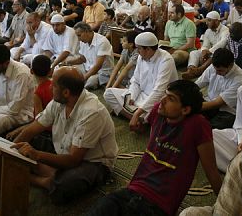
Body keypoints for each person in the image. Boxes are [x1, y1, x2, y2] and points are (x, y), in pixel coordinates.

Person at [85, 80, 223, 216]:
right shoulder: (158, 111)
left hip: (159, 204)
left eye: (171, 99)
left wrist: (226, 205)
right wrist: (140, 126)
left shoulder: (197, 125)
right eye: (165, 94)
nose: (163, 100)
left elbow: (211, 171)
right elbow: (150, 131)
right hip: (133, 190)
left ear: (185, 109)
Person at [11, 67, 118, 204]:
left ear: (66, 92)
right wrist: (10, 151)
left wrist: (37, 155)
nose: (49, 87)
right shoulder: (58, 101)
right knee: (29, 138)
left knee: (62, 186)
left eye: (53, 85)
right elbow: (32, 129)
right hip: (64, 150)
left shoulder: (92, 112)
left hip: (92, 162)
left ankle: (40, 178)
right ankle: (49, 171)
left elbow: (74, 160)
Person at [103, 32, 179, 131]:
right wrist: (132, 97)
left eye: (139, 48)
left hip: (159, 99)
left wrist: (138, 111)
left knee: (160, 111)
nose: (137, 51)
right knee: (108, 93)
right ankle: (136, 119)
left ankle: (138, 116)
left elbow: (159, 91)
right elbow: (135, 81)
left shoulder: (166, 60)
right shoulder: (141, 57)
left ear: (148, 49)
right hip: (140, 95)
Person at [194, 48, 242, 130]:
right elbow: (197, 85)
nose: (217, 73)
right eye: (215, 69)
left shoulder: (240, 79)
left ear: (231, 65)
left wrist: (192, 107)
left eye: (220, 70)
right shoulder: (213, 67)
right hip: (209, 103)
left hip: (228, 112)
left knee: (209, 130)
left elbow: (218, 103)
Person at [67, 22, 114, 89]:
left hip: (101, 73)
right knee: (71, 70)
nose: (78, 39)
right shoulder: (83, 41)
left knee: (90, 81)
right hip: (88, 68)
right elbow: (82, 59)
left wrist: (84, 78)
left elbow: (97, 66)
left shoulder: (102, 41)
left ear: (86, 31)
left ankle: (81, 85)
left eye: (79, 35)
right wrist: (67, 63)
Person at [184, 11, 229, 79]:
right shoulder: (208, 31)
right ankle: (191, 70)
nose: (206, 22)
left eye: (209, 20)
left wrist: (209, 51)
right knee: (194, 53)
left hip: (221, 54)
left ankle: (200, 70)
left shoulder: (225, 30)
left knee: (216, 55)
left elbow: (223, 43)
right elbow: (205, 44)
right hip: (209, 52)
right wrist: (204, 51)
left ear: (216, 21)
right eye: (206, 20)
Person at [163, 4, 196, 69]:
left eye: (172, 13)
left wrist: (175, 50)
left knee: (174, 57)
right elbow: (166, 40)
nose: (169, 15)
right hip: (171, 49)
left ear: (179, 14)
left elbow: (190, 44)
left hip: (184, 51)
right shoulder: (169, 23)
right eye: (169, 13)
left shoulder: (189, 24)